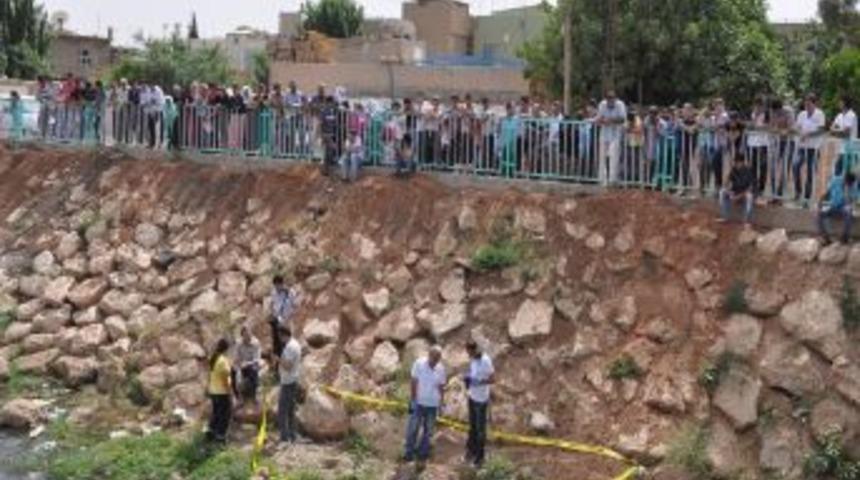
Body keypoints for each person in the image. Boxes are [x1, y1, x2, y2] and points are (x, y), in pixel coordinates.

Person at [404, 345, 446, 466]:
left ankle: (422, 455)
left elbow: (441, 387)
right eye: (434, 358)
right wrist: (413, 400)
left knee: (428, 432)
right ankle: (408, 454)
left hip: (432, 405)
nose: (435, 361)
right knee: (413, 428)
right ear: (429, 355)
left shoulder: (441, 368)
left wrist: (441, 403)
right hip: (419, 403)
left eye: (438, 358)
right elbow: (413, 382)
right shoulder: (419, 364)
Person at [463, 341, 494, 468]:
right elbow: (472, 372)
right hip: (472, 397)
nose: (468, 355)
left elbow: (493, 379)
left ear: (474, 350)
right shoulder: (473, 360)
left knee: (480, 429)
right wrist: (468, 378)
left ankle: (480, 457)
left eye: (469, 352)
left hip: (481, 400)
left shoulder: (486, 361)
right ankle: (471, 450)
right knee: (472, 426)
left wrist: (479, 382)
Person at [794, 94, 826, 202]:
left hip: (814, 148)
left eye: (809, 103)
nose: (806, 105)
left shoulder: (820, 114)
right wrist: (800, 133)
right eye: (805, 103)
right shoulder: (801, 114)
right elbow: (797, 127)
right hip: (802, 147)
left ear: (814, 103)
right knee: (795, 166)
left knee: (810, 172)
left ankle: (807, 197)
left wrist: (808, 134)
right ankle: (798, 191)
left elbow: (821, 130)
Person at [596, 90, 627, 186]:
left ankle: (613, 179)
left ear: (615, 98)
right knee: (602, 156)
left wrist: (610, 120)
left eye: (612, 98)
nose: (610, 100)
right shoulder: (602, 104)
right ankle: (602, 179)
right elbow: (599, 118)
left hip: (615, 134)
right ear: (606, 99)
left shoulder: (620, 105)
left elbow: (622, 118)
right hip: (604, 133)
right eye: (609, 98)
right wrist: (601, 120)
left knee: (614, 156)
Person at [817, 172, 857, 245]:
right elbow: (827, 193)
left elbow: (853, 200)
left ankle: (844, 238)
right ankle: (825, 238)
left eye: (850, 184)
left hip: (842, 208)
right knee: (819, 214)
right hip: (832, 206)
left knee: (849, 214)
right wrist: (821, 202)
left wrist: (850, 204)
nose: (849, 185)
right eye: (847, 183)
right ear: (845, 179)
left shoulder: (852, 186)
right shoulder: (835, 180)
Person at [277, 327, 302, 443]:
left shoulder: (290, 347)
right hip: (292, 380)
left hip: (288, 382)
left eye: (280, 336)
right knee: (291, 411)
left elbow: (288, 366)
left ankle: (284, 438)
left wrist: (278, 359)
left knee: (282, 411)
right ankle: (293, 436)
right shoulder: (295, 344)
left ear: (283, 334)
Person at [207, 337, 234, 443]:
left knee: (216, 414)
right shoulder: (223, 361)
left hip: (213, 391)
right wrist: (230, 392)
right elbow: (225, 379)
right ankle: (220, 438)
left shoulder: (214, 358)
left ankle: (210, 434)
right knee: (225, 415)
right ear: (227, 348)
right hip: (222, 392)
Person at [719, 154, 755, 224]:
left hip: (744, 193)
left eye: (738, 163)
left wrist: (738, 196)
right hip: (735, 192)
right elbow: (726, 183)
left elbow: (750, 188)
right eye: (736, 163)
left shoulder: (748, 171)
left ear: (742, 162)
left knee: (749, 196)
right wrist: (729, 191)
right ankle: (725, 216)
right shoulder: (733, 170)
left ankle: (746, 220)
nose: (736, 164)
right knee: (722, 192)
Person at [233, 325, 262, 406]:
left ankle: (255, 395)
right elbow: (236, 357)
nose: (248, 337)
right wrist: (240, 364)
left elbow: (257, 358)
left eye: (249, 335)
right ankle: (239, 397)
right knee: (236, 374)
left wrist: (248, 363)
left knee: (255, 370)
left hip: (252, 364)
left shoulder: (256, 343)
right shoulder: (238, 344)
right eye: (246, 335)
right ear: (242, 336)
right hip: (241, 365)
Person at [269, 275, 296, 360]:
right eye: (275, 286)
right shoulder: (273, 292)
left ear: (282, 284)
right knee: (276, 340)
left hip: (287, 320)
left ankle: (288, 358)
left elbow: (295, 306)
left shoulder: (291, 292)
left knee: (286, 340)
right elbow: (272, 304)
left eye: (278, 285)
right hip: (277, 320)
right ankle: (277, 358)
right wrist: (273, 314)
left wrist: (289, 318)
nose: (277, 288)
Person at [831, 95, 858, 176]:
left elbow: (846, 133)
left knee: (850, 174)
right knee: (840, 170)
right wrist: (839, 131)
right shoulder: (839, 115)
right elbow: (831, 129)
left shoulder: (851, 115)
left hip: (851, 148)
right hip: (843, 148)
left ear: (845, 103)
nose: (839, 103)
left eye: (840, 101)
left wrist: (837, 132)